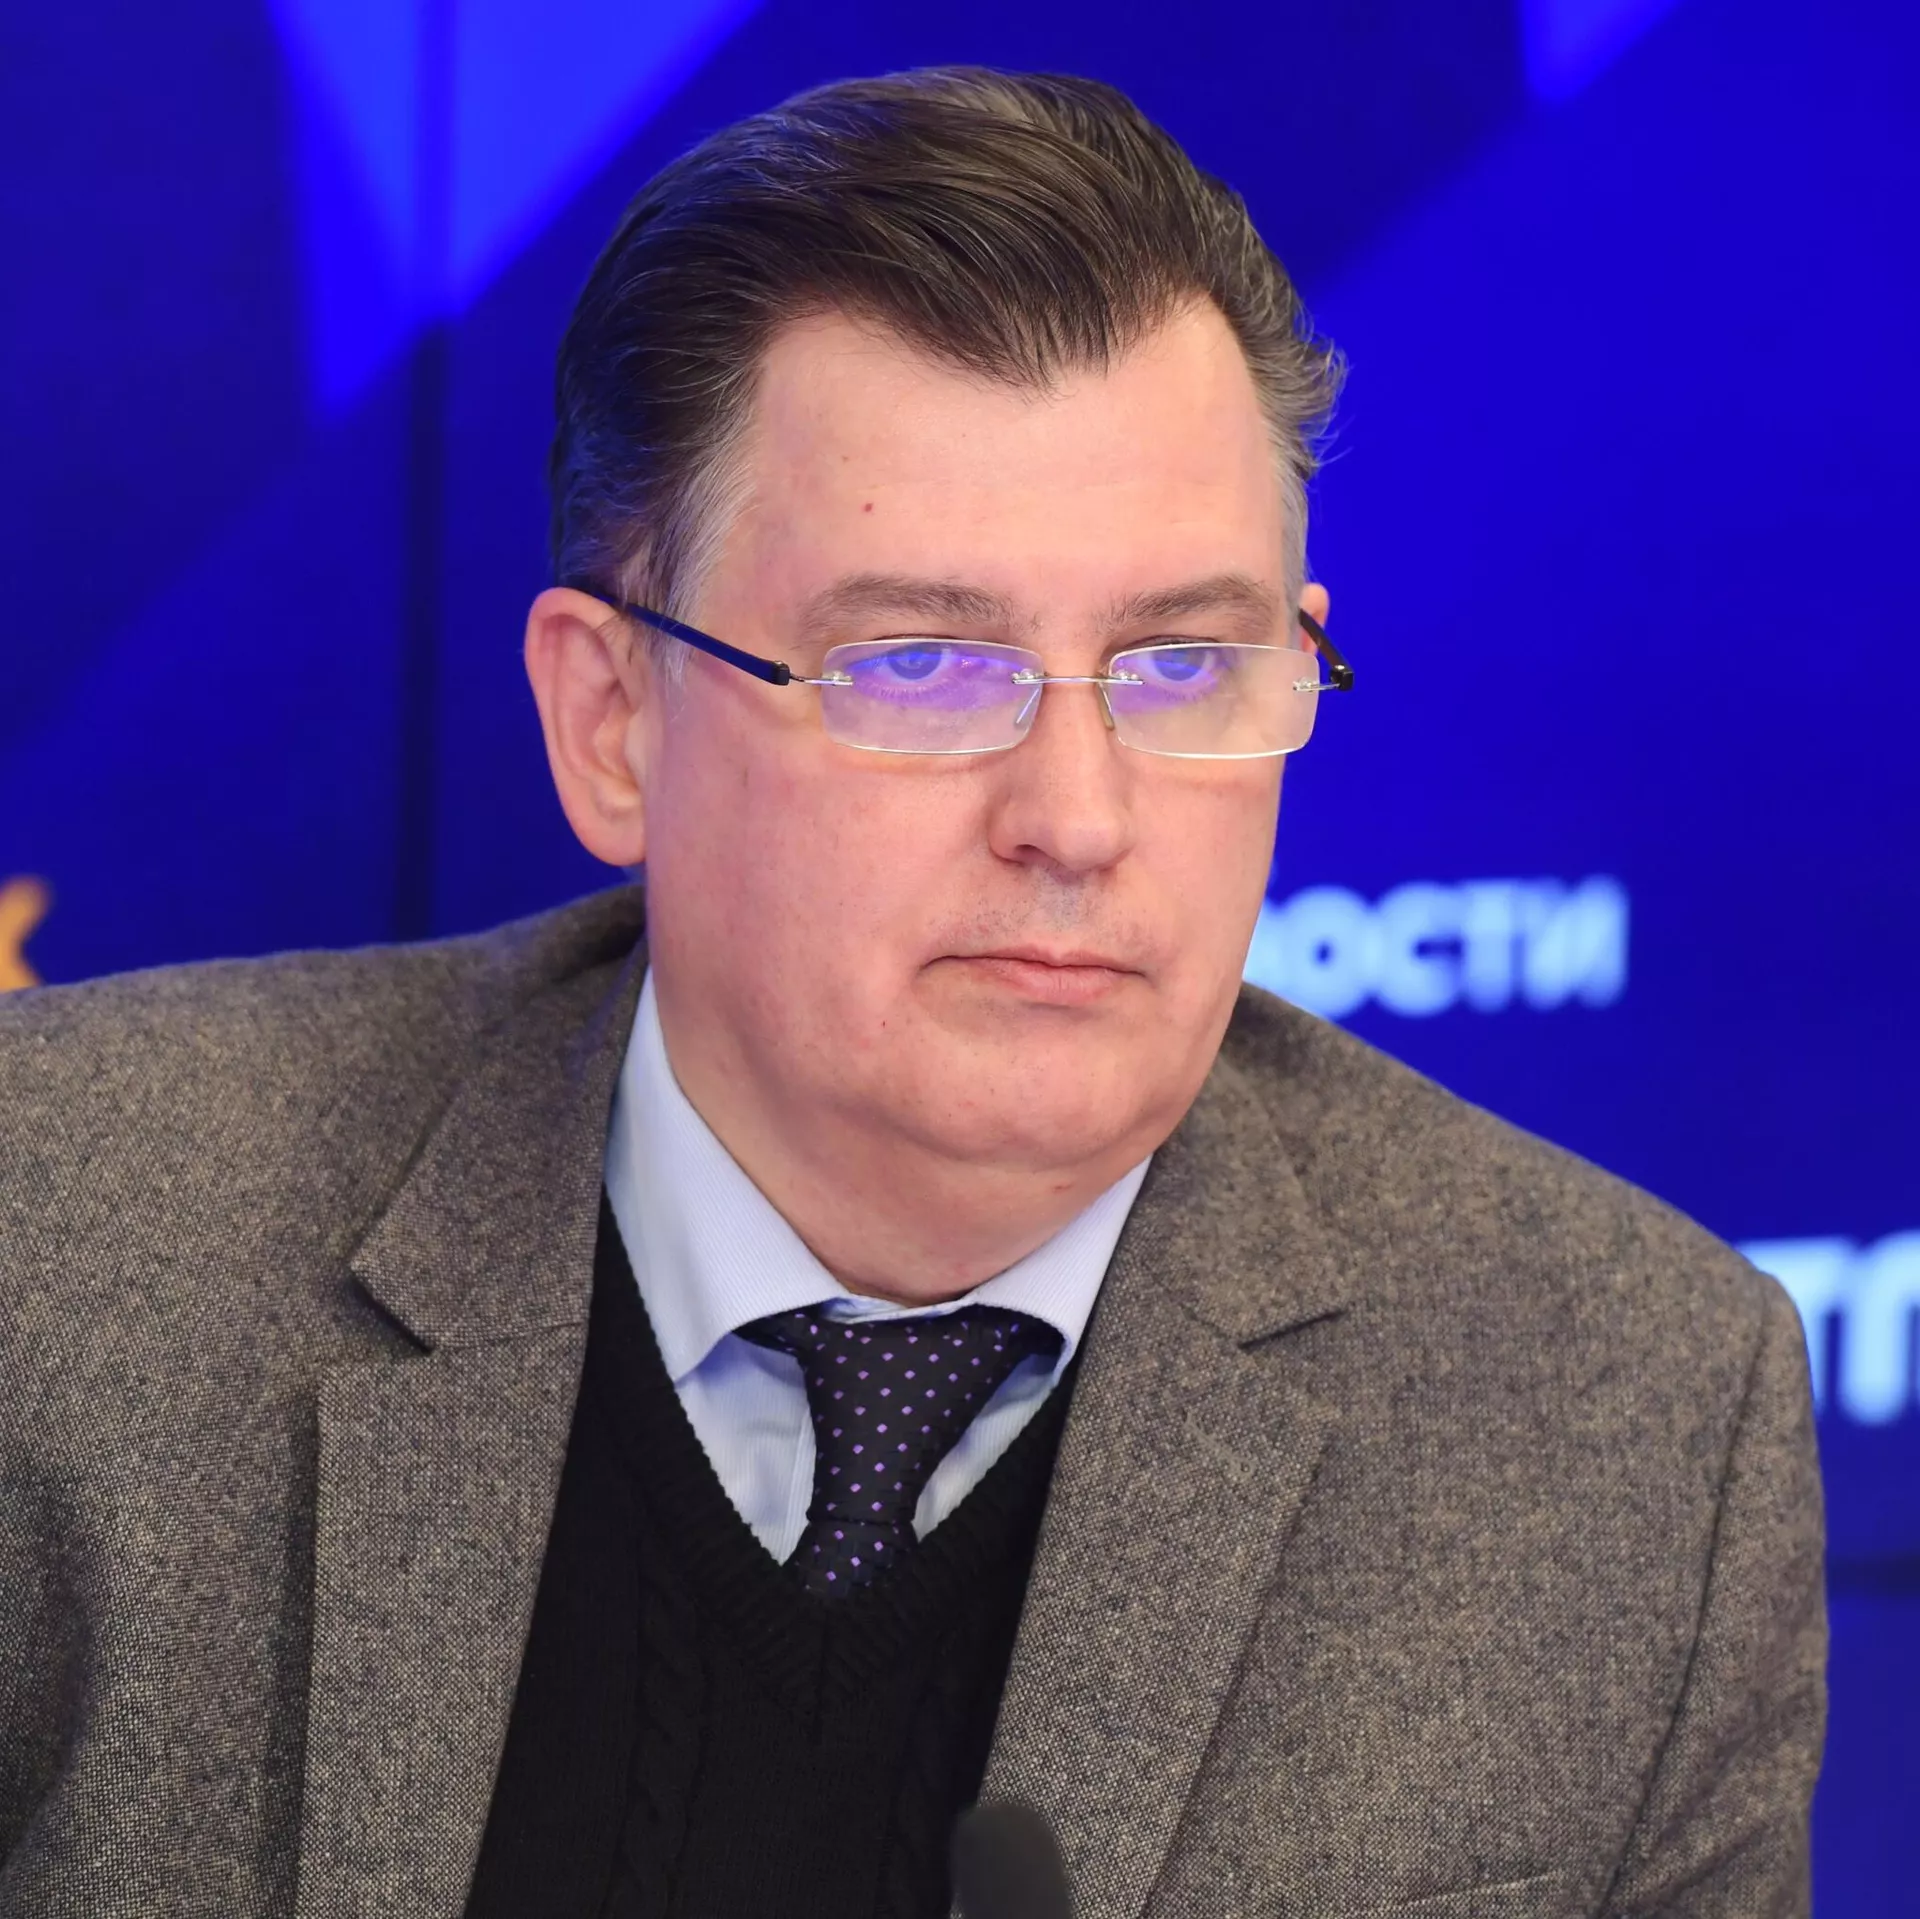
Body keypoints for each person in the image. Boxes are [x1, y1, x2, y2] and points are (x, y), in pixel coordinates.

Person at [0, 65, 1823, 1919]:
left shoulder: (1629, 1418)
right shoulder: (64, 1243)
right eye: (925, 666)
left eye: (1182, 665)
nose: (1078, 818)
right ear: (612, 722)